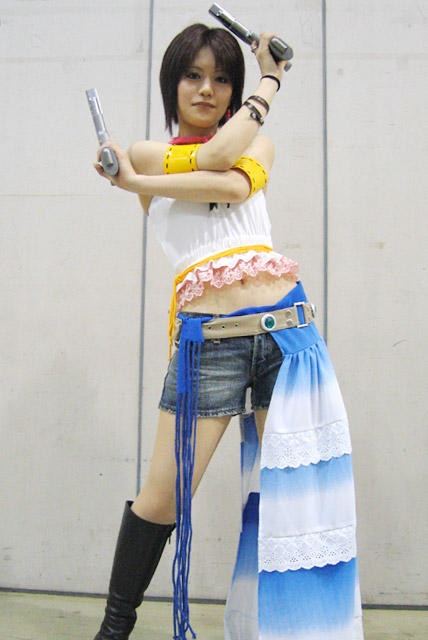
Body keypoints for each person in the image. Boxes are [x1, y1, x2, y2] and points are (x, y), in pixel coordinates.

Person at [92, 22, 364, 640]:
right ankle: (113, 629)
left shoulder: (255, 145)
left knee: (294, 498)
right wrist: (140, 177)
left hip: (287, 338)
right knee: (163, 497)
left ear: (237, 90)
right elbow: (210, 162)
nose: (207, 89)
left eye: (221, 78)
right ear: (172, 82)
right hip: (207, 344)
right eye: (193, 75)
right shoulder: (144, 153)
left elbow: (230, 177)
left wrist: (269, 79)